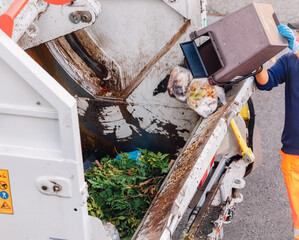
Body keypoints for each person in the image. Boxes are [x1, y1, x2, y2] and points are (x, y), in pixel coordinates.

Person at [255, 23, 299, 239]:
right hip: (294, 153)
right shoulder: (290, 60)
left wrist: (296, 48)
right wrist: (258, 65)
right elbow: (267, 82)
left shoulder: (295, 53)